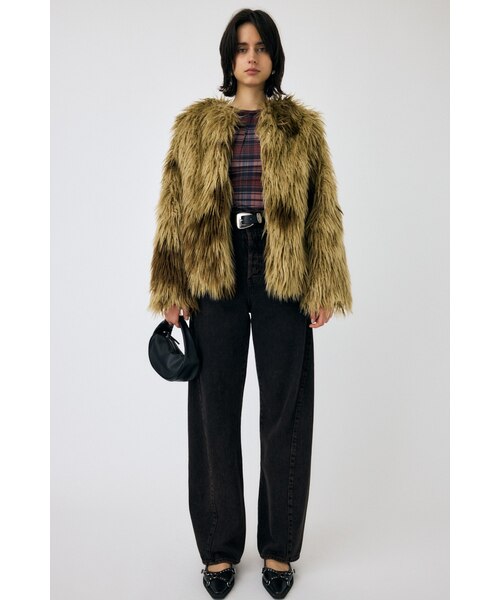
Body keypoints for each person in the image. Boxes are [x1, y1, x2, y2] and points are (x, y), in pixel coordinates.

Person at [148, 8, 352, 599]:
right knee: (213, 409)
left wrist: (323, 282)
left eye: (260, 47)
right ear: (229, 58)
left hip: (282, 265)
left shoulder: (301, 128)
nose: (251, 57)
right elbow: (173, 209)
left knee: (284, 410)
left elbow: (324, 209)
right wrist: (171, 287)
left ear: (274, 57)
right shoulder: (194, 126)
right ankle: (218, 549)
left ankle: (278, 548)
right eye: (241, 48)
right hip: (215, 265)